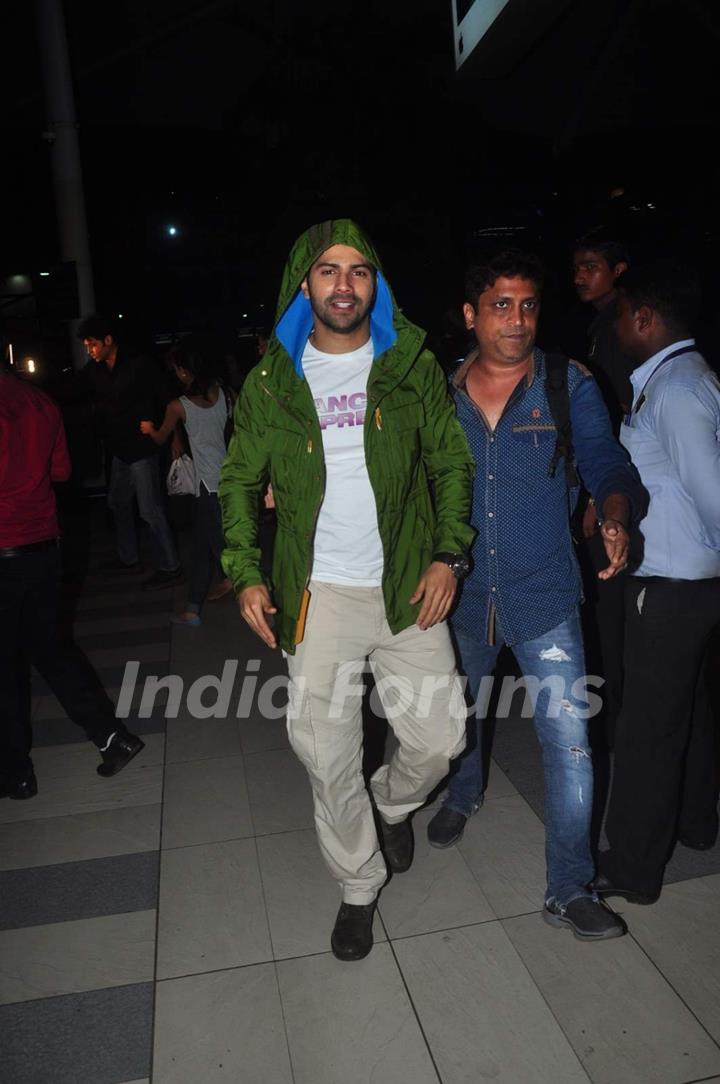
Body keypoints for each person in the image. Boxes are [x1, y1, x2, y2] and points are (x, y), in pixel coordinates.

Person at [219, 219, 475, 961]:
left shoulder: (410, 365)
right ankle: (358, 886)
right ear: (306, 283)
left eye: (359, 271)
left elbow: (450, 466)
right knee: (326, 753)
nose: (343, 284)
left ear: (376, 284)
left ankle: (392, 803)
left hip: (405, 585)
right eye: (328, 270)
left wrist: (447, 556)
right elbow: (239, 480)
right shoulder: (273, 378)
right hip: (318, 593)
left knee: (441, 737)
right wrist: (245, 572)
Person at [426, 250, 647, 941]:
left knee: (571, 743)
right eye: (500, 305)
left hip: (546, 590)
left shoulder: (566, 384)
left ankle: (568, 887)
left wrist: (614, 512)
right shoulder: (440, 393)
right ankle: (464, 794)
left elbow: (609, 461)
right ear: (470, 315)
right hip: (463, 595)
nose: (516, 320)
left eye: (527, 305)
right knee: (460, 717)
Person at [593, 260, 720, 904]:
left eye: (620, 313)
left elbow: (712, 492)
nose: (615, 325)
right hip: (686, 587)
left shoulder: (675, 388)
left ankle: (635, 869)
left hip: (673, 588)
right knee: (689, 711)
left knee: (646, 731)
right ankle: (697, 824)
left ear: (644, 319)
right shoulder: (676, 380)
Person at [0, 370, 144, 799]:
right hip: (44, 547)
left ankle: (16, 773)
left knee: (6, 669)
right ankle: (111, 737)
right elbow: (60, 470)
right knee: (50, 649)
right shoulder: (39, 401)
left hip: (3, 549)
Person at [573, 234, 635, 743]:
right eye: (577, 268)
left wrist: (598, 496)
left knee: (613, 613)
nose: (580, 276)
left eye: (591, 266)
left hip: (616, 488)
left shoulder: (622, 326)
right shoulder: (597, 326)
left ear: (618, 269)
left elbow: (610, 424)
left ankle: (616, 724)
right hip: (610, 483)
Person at [77, 316, 183, 590]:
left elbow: (167, 398)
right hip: (119, 449)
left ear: (108, 340)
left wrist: (173, 436)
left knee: (150, 509)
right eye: (87, 346)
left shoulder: (138, 363)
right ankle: (129, 557)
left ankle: (170, 565)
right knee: (118, 501)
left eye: (93, 344)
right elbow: (78, 391)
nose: (90, 350)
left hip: (141, 447)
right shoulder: (95, 370)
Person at [141, 337, 233, 623]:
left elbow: (159, 437)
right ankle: (192, 609)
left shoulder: (178, 406)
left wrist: (148, 428)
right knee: (201, 547)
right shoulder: (226, 394)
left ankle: (244, 586)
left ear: (183, 370)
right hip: (228, 479)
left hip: (205, 486)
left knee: (220, 550)